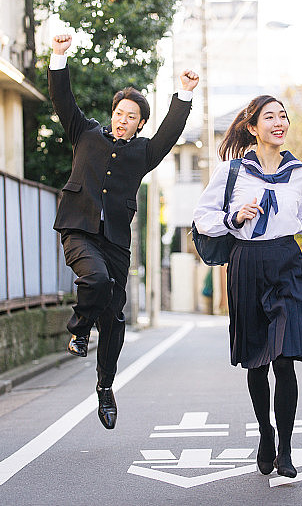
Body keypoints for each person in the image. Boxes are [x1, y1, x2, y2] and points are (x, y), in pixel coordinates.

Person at [49, 34, 198, 429]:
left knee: (114, 319)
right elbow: (63, 99)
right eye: (120, 112)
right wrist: (59, 56)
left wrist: (183, 92)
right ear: (112, 112)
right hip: (78, 229)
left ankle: (104, 387)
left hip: (115, 239)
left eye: (131, 116)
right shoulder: (85, 133)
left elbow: (170, 133)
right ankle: (79, 331)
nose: (123, 119)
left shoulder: (144, 152)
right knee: (94, 279)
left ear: (140, 123)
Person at [193, 96, 302, 478]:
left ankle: (287, 449)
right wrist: (234, 216)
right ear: (252, 127)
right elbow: (203, 218)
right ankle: (265, 433)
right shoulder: (231, 172)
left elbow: (298, 213)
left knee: (285, 357)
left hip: (286, 264)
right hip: (246, 264)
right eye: (269, 117)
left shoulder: (299, 172)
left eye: (283, 116)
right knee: (257, 361)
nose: (279, 123)